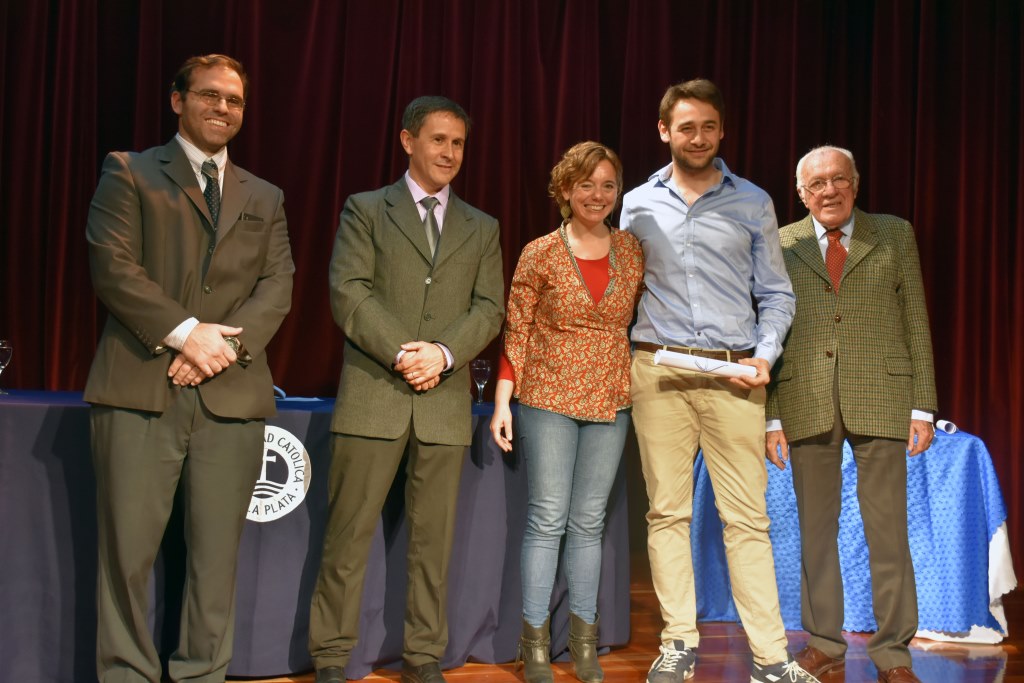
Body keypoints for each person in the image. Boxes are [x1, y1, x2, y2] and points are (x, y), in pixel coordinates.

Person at [84, 54, 294, 682]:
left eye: (234, 100)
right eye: (209, 95)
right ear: (178, 101)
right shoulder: (129, 171)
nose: (222, 108)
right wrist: (185, 335)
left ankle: (203, 675)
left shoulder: (266, 195)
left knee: (214, 562)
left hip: (230, 397)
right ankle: (125, 674)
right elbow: (113, 266)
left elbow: (278, 285)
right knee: (126, 558)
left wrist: (218, 350)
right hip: (140, 391)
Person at [621, 78, 820, 683]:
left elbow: (776, 295)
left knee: (748, 520)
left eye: (708, 126)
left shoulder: (754, 201)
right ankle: (678, 643)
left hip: (736, 375)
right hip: (658, 371)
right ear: (664, 131)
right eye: (686, 127)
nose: (698, 137)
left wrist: (764, 356)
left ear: (722, 130)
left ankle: (770, 658)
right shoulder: (634, 204)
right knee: (667, 515)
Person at [308, 95, 505, 683]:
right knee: (347, 541)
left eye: (459, 143)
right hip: (374, 396)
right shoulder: (366, 209)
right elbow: (349, 291)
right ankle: (331, 657)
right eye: (439, 139)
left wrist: (442, 355)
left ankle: (423, 657)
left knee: (432, 546)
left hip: (442, 405)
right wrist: (403, 352)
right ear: (408, 140)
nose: (449, 152)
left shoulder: (482, 226)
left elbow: (490, 307)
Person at [766, 146, 937, 683]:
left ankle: (893, 654)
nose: (829, 191)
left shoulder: (893, 234)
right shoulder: (781, 242)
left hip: (882, 396)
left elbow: (916, 319)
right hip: (805, 398)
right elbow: (768, 329)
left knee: (887, 531)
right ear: (801, 194)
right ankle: (824, 644)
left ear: (856, 184)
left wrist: (922, 405)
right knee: (815, 531)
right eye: (816, 184)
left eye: (839, 179)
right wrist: (771, 417)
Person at [490, 142, 645, 683]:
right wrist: (503, 400)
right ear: (564, 190)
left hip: (610, 396)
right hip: (548, 394)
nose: (597, 195)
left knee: (588, 523)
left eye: (607, 185)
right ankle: (532, 646)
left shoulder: (631, 250)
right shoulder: (540, 252)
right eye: (586, 185)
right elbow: (518, 328)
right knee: (548, 517)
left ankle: (584, 645)